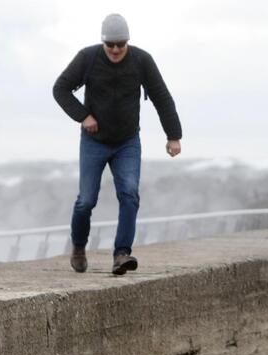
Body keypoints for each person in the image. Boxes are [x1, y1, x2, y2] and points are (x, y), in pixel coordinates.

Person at [53, 14, 182, 275]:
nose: (115, 49)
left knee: (130, 194)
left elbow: (162, 97)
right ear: (103, 42)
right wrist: (84, 116)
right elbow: (60, 89)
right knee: (86, 201)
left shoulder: (141, 60)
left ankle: (121, 254)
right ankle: (78, 247)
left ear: (127, 42)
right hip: (94, 142)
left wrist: (173, 136)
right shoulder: (87, 58)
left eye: (120, 44)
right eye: (110, 44)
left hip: (127, 142)